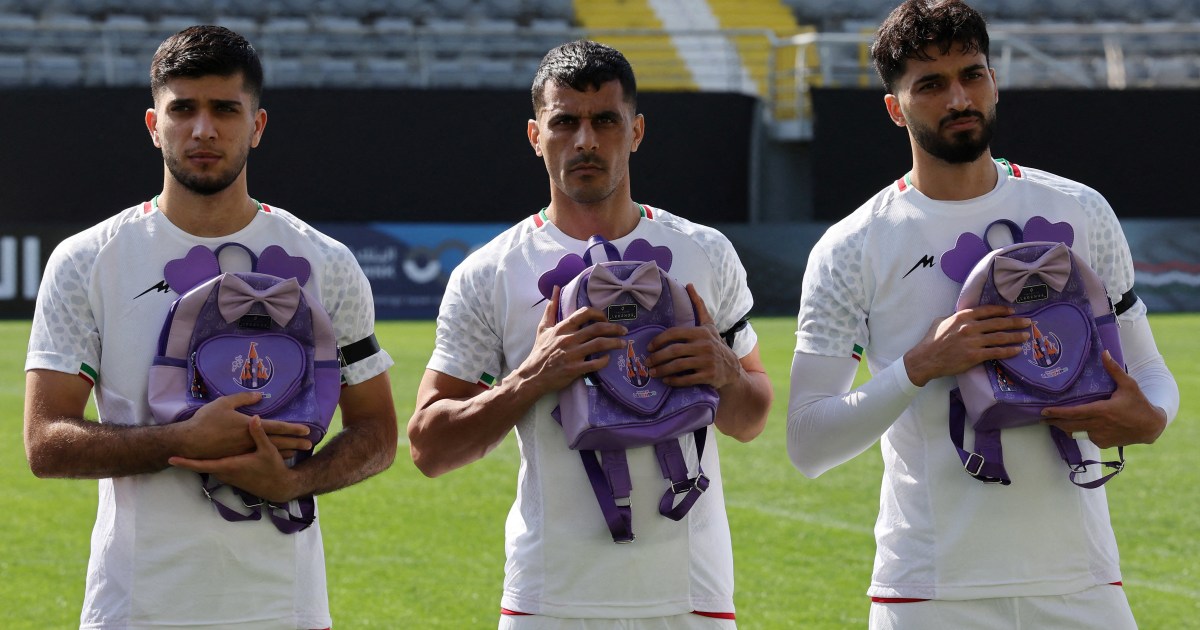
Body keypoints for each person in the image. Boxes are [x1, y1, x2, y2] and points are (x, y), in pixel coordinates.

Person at [786, 2, 1181, 628]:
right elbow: (808, 442)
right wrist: (920, 366)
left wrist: (1152, 416)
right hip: (929, 590)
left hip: (1079, 581)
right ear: (895, 109)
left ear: (994, 81)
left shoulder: (1081, 210)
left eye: (972, 75)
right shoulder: (853, 246)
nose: (958, 98)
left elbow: (1151, 372)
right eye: (930, 85)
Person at [23, 26, 397, 629]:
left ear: (257, 125)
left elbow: (377, 431)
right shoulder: (87, 260)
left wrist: (293, 482)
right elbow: (44, 442)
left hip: (284, 610)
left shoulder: (327, 262)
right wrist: (181, 441)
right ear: (154, 125)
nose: (203, 130)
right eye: (183, 110)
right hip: (135, 609)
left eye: (225, 109)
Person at [407, 40, 772, 628]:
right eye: (564, 123)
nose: (585, 141)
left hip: (691, 595)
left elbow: (751, 419)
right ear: (535, 136)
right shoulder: (491, 271)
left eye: (605, 120)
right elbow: (429, 449)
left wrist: (727, 374)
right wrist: (530, 378)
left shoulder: (704, 251)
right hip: (549, 599)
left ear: (636, 131)